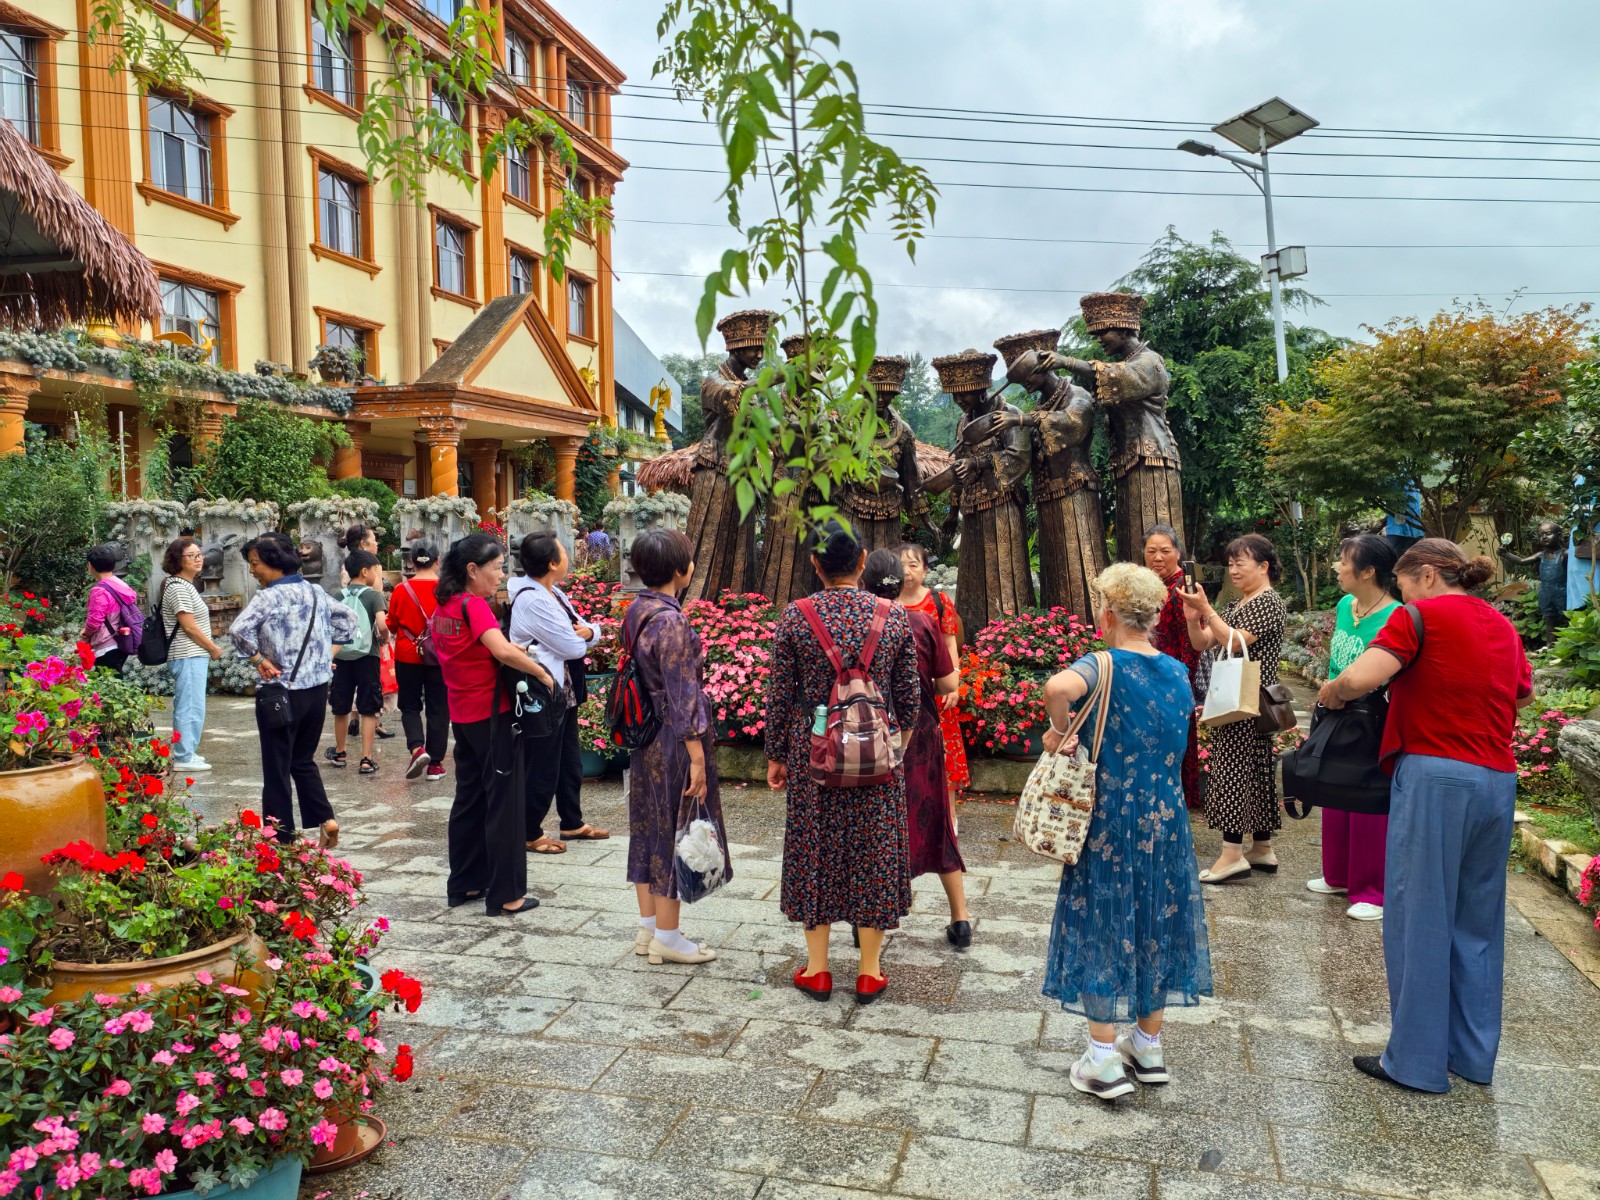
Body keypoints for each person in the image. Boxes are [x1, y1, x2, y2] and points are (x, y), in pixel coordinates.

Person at [1317, 539, 1530, 1093]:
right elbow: (1522, 695)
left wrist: (1333, 690)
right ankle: (1472, 1057)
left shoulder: (1418, 618)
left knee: (1419, 918)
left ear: (1429, 575)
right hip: (1497, 781)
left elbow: (1361, 678)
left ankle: (1414, 1063)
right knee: (1477, 923)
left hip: (1436, 775)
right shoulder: (1501, 625)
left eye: (1405, 582)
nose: (1402, 592)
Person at [1039, 562, 1212, 1102]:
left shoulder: (1102, 662)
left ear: (1109, 614)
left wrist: (1062, 730)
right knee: (1157, 919)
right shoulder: (1177, 671)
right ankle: (1148, 1046)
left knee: (1103, 921)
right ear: (1153, 617)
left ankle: (1102, 1058)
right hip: (1167, 818)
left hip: (1111, 818)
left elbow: (1056, 686)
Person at [765, 523, 921, 1004]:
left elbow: (780, 695)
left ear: (815, 564)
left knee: (816, 849)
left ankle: (818, 970)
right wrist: (896, 746)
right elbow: (909, 699)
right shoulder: (893, 616)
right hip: (878, 757)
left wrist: (776, 755)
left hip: (814, 756)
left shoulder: (796, 616)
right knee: (874, 852)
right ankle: (869, 972)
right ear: (863, 561)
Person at [623, 528, 732, 966]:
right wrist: (697, 756)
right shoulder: (671, 620)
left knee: (649, 825)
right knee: (674, 825)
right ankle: (668, 936)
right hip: (673, 738)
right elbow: (683, 693)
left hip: (645, 733)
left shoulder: (638, 609)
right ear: (680, 571)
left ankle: (649, 927)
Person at [431, 533, 554, 917]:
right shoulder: (474, 605)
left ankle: (465, 882)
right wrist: (541, 672)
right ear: (473, 570)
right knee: (505, 803)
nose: (502, 575)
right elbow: (499, 650)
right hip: (492, 715)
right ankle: (506, 894)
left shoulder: (446, 605)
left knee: (469, 799)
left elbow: (472, 650)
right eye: (497, 568)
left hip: (463, 715)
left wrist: (510, 650)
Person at [865, 549, 969, 947]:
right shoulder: (923, 622)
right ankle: (960, 919)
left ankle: (870, 919)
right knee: (936, 820)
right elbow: (948, 684)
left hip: (870, 735)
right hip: (920, 736)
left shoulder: (859, 622)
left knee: (877, 825)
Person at [230, 532, 357, 847]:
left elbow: (238, 630)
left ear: (274, 562)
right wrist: (325, 656)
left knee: (276, 769)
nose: (252, 570)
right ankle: (326, 818)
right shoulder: (314, 591)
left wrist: (258, 659)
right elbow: (349, 619)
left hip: (280, 694)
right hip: (316, 691)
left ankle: (279, 840)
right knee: (302, 760)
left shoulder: (268, 597)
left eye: (255, 564)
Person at [1178, 533, 1287, 883]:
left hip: (1246, 701)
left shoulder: (1268, 602)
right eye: (1230, 564)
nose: (1234, 570)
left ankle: (1231, 855)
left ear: (1263, 566)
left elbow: (1233, 642)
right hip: (1243, 700)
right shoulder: (1238, 604)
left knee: (1232, 771)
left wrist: (1208, 610)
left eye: (1240, 563)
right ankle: (1262, 848)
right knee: (1254, 771)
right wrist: (1193, 616)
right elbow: (1204, 642)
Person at [1307, 535, 1401, 921]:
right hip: (1334, 710)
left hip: (1371, 716)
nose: (1337, 568)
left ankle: (1372, 892)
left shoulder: (1396, 616)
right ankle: (1338, 875)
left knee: (1366, 798)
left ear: (1368, 571)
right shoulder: (1346, 605)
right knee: (1334, 789)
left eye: (1344, 561)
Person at [507, 532, 610, 854]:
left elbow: (587, 630)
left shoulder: (554, 593)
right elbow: (572, 646)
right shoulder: (533, 599)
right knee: (543, 763)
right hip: (544, 690)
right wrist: (584, 636)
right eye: (563, 552)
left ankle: (572, 821)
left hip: (564, 689)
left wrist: (589, 632)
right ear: (552, 563)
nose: (568, 556)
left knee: (568, 760)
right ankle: (529, 831)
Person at [1143, 525, 1203, 811]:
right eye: (1151, 551)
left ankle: (1175, 804)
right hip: (1150, 677)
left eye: (1165, 551)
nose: (1158, 557)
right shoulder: (1153, 586)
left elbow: (1191, 644)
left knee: (1173, 743)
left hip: (1172, 681)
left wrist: (1182, 683)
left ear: (1177, 553)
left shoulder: (1182, 589)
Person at [160, 537, 224, 771]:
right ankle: (183, 757)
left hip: (192, 655)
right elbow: (189, 627)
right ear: (177, 559)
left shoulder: (184, 585)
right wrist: (212, 647)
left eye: (200, 555)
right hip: (187, 654)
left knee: (193, 705)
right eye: (192, 555)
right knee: (188, 706)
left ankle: (187, 752)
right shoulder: (178, 587)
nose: (199, 559)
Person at [389, 540, 449, 781]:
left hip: (407, 653)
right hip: (440, 654)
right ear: (437, 561)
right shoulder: (447, 589)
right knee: (439, 707)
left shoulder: (401, 590)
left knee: (410, 705)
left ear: (412, 562)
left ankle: (417, 749)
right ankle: (435, 764)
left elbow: (391, 624)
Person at [324, 550, 388, 776]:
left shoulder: (337, 595)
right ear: (364, 571)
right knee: (368, 708)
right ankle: (366, 759)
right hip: (368, 656)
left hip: (342, 656)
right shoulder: (374, 596)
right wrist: (385, 638)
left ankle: (340, 753)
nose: (377, 575)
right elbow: (382, 624)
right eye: (375, 571)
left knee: (341, 706)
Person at [81, 545, 138, 673]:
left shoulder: (100, 591)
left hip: (106, 645)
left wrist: (85, 633)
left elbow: (94, 622)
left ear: (90, 566)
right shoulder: (120, 584)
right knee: (115, 680)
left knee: (106, 682)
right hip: (121, 641)